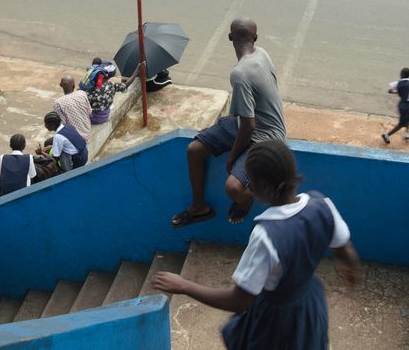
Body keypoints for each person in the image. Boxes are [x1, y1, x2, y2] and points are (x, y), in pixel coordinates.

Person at [154, 141, 361, 349]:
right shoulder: (321, 204)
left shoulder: (266, 235)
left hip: (279, 321)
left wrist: (184, 285)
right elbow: (344, 248)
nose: (248, 188)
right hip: (310, 304)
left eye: (249, 182)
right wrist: (351, 270)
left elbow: (239, 300)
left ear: (262, 186)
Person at [171, 19, 287, 228]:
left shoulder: (240, 73)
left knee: (233, 188)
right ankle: (199, 207)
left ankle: (247, 200)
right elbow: (247, 111)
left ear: (230, 37)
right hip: (244, 122)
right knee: (194, 150)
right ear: (255, 38)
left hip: (267, 137)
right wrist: (222, 127)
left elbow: (249, 126)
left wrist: (232, 156)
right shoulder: (261, 52)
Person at [83, 58, 134, 124]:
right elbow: (125, 85)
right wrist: (137, 70)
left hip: (93, 118)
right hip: (106, 115)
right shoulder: (111, 85)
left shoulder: (89, 89)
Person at [382, 67, 409, 143]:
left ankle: (407, 133)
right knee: (402, 123)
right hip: (407, 105)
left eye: (401, 73)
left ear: (403, 74)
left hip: (402, 104)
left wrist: (399, 91)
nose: (400, 74)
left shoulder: (398, 83)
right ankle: (387, 135)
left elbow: (390, 91)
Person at [53, 75, 92, 142]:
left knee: (48, 142)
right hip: (87, 133)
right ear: (74, 85)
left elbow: (62, 125)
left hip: (74, 138)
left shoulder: (58, 103)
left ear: (60, 85)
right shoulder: (82, 94)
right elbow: (89, 112)